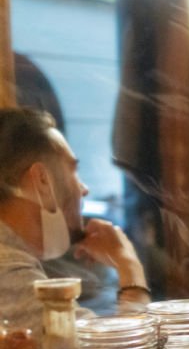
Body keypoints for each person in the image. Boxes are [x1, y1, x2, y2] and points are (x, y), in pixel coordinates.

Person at [0, 108, 151, 337]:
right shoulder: (8, 272)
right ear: (42, 180)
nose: (84, 189)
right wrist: (129, 266)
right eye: (73, 170)